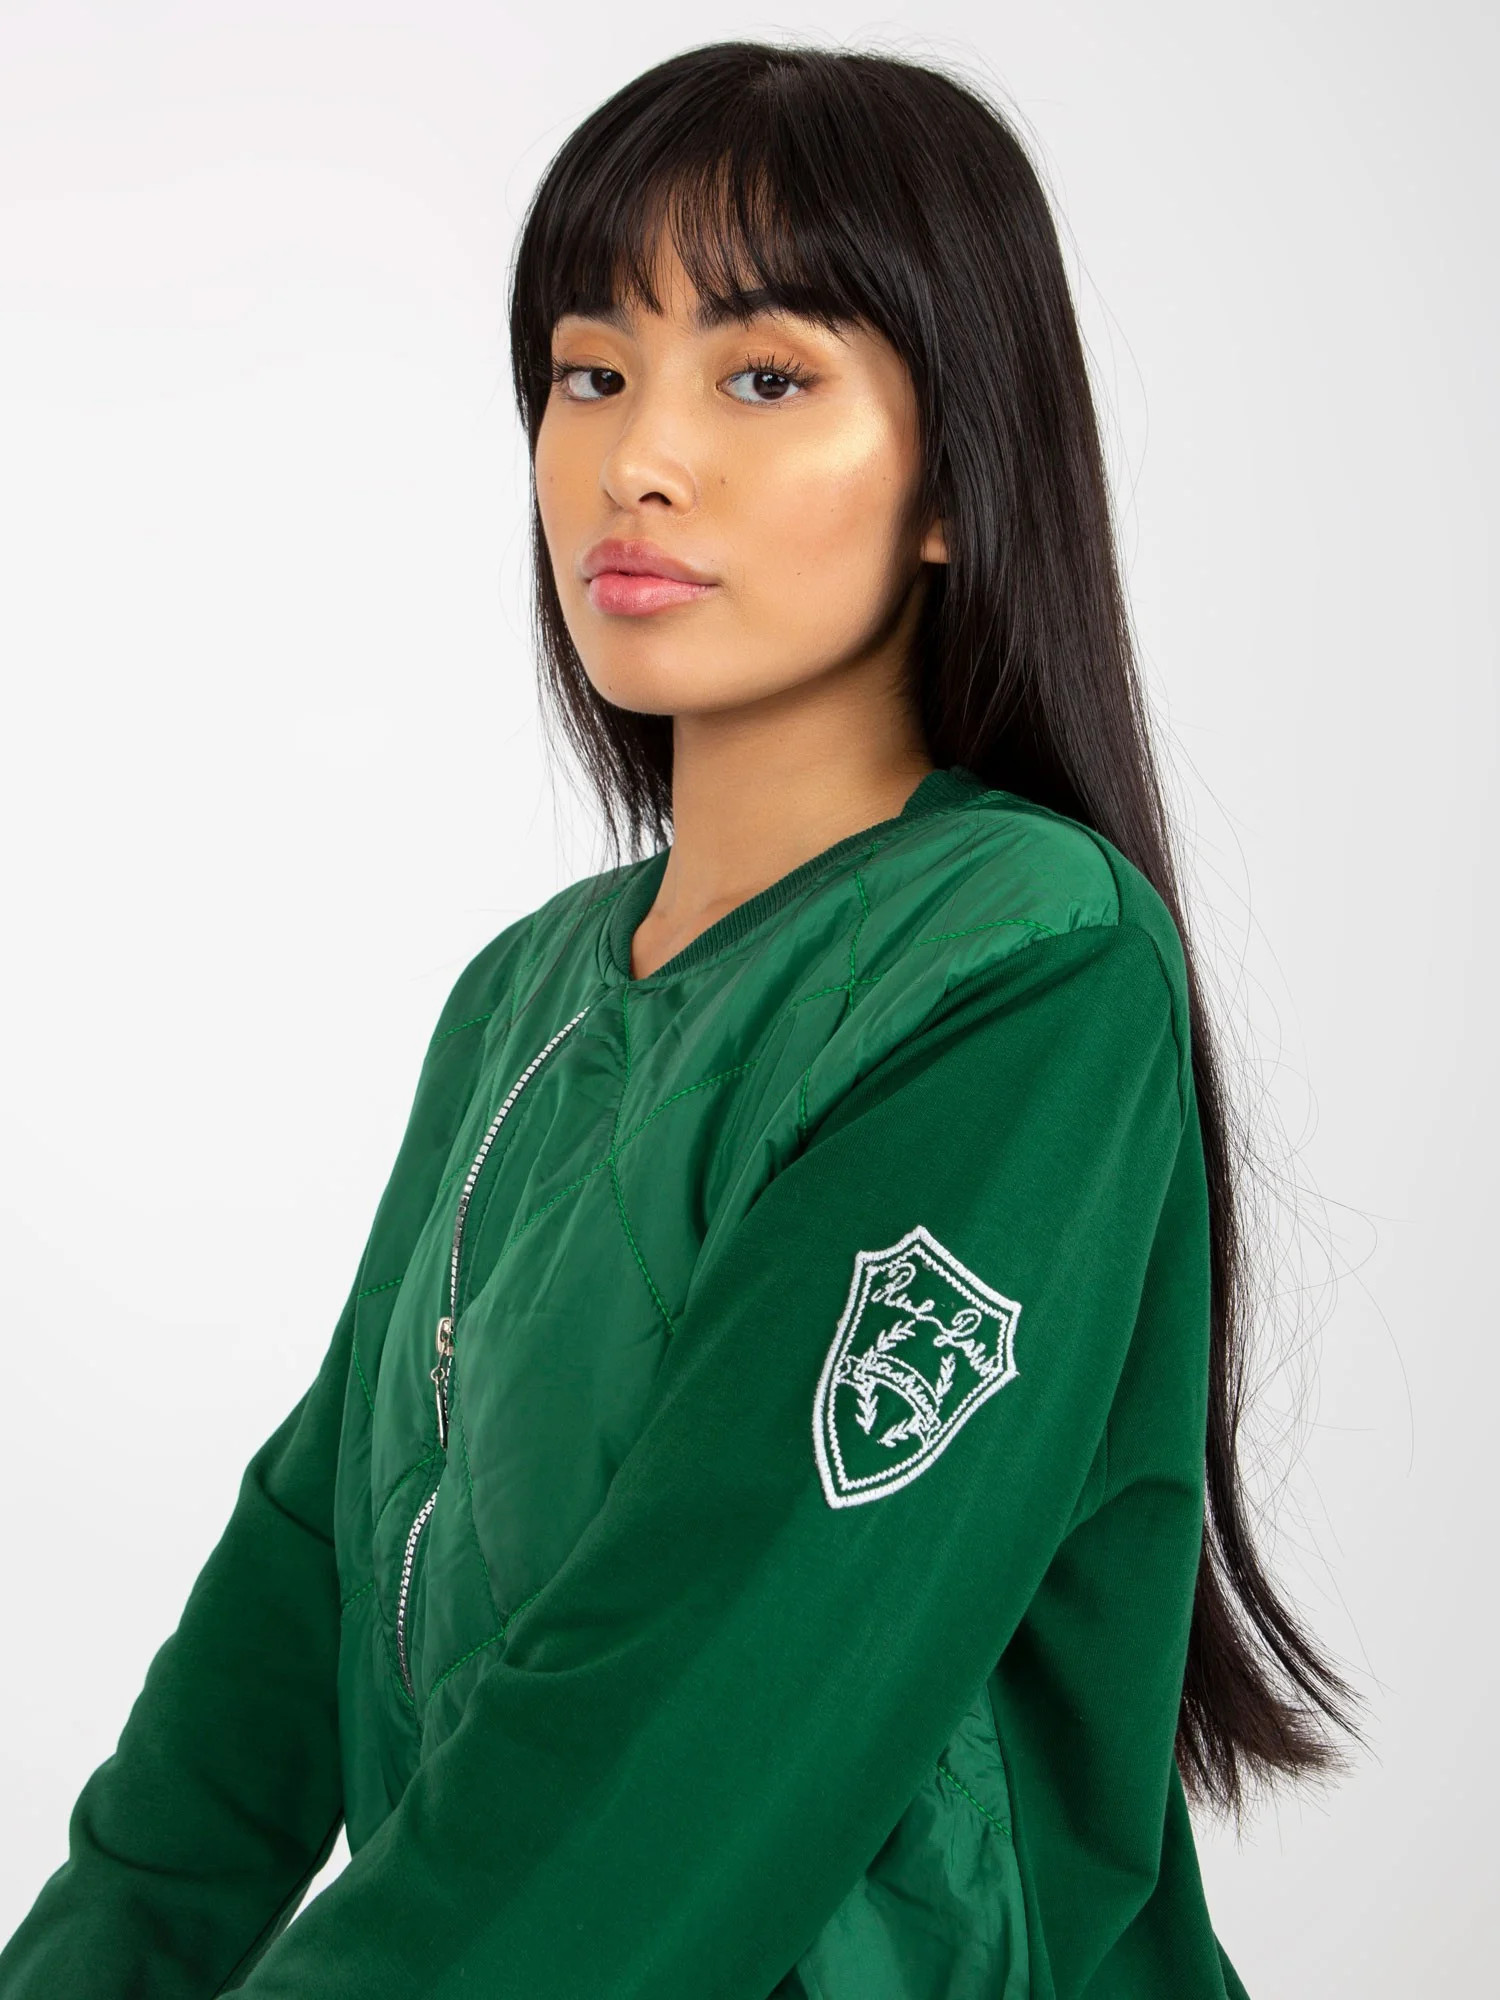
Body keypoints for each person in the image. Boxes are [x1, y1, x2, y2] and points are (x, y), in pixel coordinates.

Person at [0, 39, 1359, 1999]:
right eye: (590, 371)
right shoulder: (524, 998)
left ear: (956, 476)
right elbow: (292, 1597)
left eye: (764, 376)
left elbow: (688, 1721)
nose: (639, 456)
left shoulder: (1027, 969)